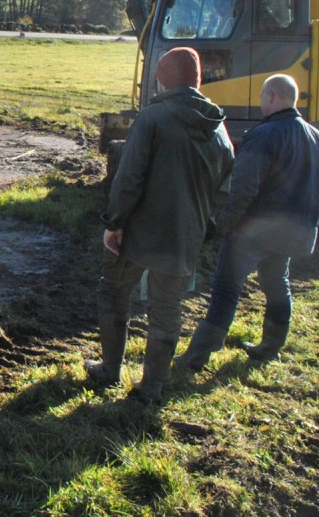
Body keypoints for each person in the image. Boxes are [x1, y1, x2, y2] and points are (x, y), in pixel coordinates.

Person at [86, 47, 234, 404]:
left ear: (163, 79)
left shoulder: (152, 118)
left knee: (113, 292)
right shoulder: (218, 128)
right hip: (185, 237)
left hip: (138, 232)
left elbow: (129, 178)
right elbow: (225, 186)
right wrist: (204, 227)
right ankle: (151, 388)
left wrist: (114, 223)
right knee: (167, 308)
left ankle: (109, 370)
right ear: (197, 80)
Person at [174, 74, 319, 370]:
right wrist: (309, 191)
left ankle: (197, 356)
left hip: (255, 231)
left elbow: (243, 190)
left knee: (227, 289)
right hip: (296, 231)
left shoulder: (263, 135)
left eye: (262, 97)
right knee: (276, 282)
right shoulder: (316, 136)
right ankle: (271, 346)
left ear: (270, 97)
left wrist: (221, 225)